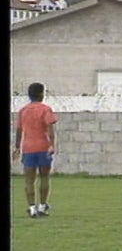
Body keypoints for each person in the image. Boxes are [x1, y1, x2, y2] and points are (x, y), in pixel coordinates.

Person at [12, 82, 58, 218]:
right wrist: (52, 145)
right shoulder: (45, 109)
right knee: (44, 177)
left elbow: (19, 131)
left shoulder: (23, 111)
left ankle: (32, 208)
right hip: (43, 147)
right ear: (41, 94)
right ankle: (43, 206)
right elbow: (50, 129)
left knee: (29, 179)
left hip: (28, 148)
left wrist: (17, 148)